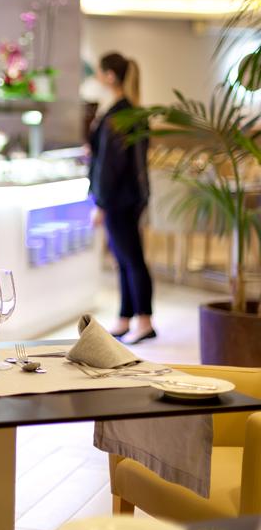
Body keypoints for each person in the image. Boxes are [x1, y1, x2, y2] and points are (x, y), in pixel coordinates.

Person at [89, 52, 155, 345]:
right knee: (125, 259)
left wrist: (101, 203)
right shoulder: (130, 111)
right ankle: (126, 318)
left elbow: (111, 165)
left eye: (99, 71)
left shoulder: (119, 114)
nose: (97, 77)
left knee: (131, 259)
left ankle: (144, 321)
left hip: (119, 198)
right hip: (130, 197)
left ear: (110, 76)